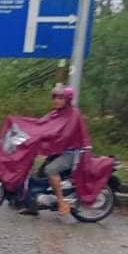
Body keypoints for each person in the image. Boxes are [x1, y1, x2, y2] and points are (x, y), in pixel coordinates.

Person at [37, 85, 89, 216]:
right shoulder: (55, 114)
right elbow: (41, 124)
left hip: (71, 153)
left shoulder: (74, 114)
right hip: (58, 151)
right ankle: (33, 205)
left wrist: (48, 142)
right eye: (54, 97)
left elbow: (66, 135)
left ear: (67, 99)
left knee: (50, 170)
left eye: (60, 98)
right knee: (37, 174)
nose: (56, 100)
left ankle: (61, 202)